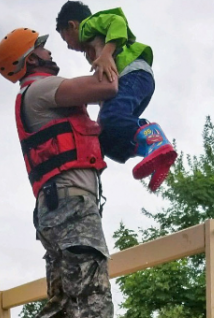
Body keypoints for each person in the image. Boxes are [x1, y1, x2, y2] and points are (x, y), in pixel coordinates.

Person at [0, 27, 135, 318]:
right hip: (71, 208)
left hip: (55, 209)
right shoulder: (41, 89)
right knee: (94, 296)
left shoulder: (34, 96)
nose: (50, 50)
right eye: (41, 46)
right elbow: (106, 87)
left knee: (65, 304)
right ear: (30, 58)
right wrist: (107, 51)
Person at [55, 2, 176, 191]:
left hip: (133, 74)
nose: (69, 46)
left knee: (112, 117)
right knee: (106, 137)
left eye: (66, 39)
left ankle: (155, 139)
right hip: (136, 82)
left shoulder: (88, 25)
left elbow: (117, 21)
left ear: (72, 25)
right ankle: (153, 153)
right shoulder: (91, 48)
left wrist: (106, 53)